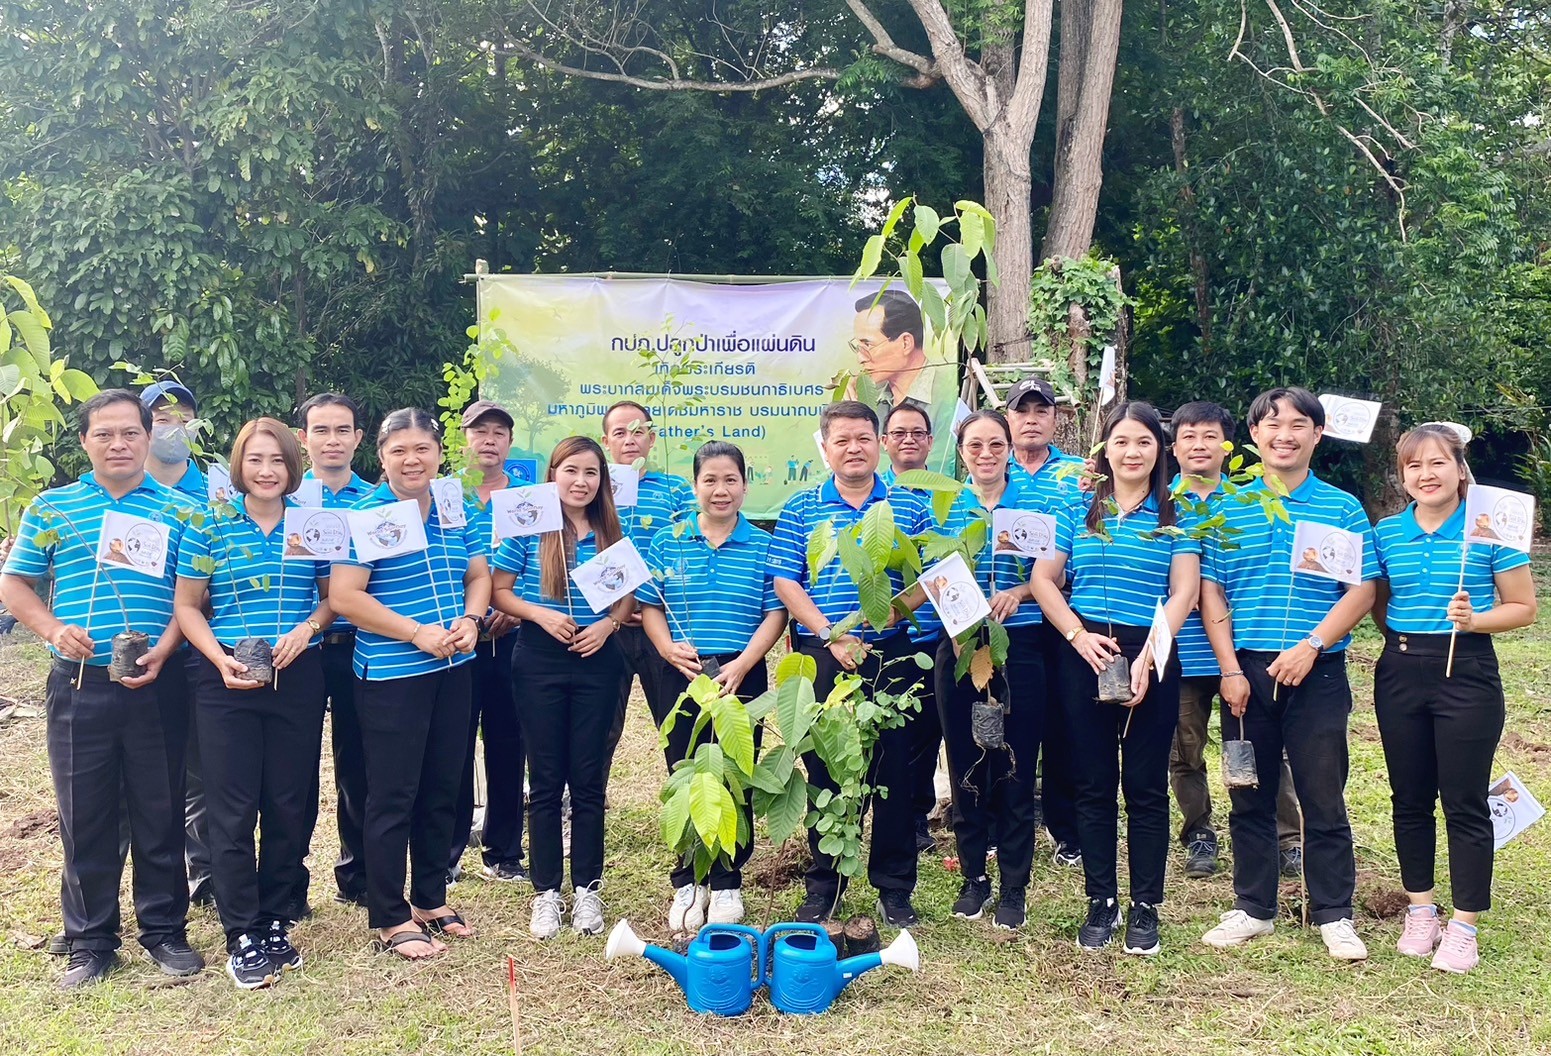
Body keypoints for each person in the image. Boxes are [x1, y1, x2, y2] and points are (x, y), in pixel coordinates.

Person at [0, 389, 205, 988]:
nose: (119, 444)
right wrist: (53, 629)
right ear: (85, 441)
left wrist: (168, 646)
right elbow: (16, 586)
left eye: (130, 433)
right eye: (105, 434)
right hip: (78, 685)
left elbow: (192, 596)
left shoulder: (182, 511)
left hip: (157, 683)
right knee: (83, 813)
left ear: (148, 438)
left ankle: (165, 931)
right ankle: (90, 940)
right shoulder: (53, 507)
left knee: (159, 807)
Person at [1198, 386, 1377, 961]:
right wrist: (1228, 669)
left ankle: (1333, 913)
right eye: (1272, 424)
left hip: (1316, 671)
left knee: (1324, 794)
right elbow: (1212, 590)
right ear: (1253, 436)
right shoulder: (1229, 505)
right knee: (1247, 790)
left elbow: (1361, 588)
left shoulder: (1341, 508)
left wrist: (1312, 645)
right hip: (1245, 672)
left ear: (1317, 435)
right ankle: (1254, 907)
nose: (1285, 434)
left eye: (1298, 424)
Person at [1032, 401, 1199, 955]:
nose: (1132, 452)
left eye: (1144, 443)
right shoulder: (1077, 504)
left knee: (1146, 786)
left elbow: (1184, 592)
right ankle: (1100, 901)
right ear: (1105, 449)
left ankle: (1146, 906)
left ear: (1161, 450)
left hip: (1152, 649)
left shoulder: (1180, 513)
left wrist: (1153, 652)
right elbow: (1044, 580)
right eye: (1121, 442)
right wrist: (1078, 637)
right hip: (1085, 654)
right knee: (1093, 783)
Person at [173, 418, 333, 989]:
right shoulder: (208, 523)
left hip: (298, 675)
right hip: (227, 681)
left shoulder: (313, 524)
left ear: (294, 466)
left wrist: (307, 630)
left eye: (279, 461)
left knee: (291, 802)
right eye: (256, 460)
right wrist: (219, 659)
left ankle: (273, 917)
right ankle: (241, 928)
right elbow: (189, 605)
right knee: (233, 807)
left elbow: (333, 598)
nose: (267, 471)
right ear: (239, 464)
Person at [1372, 423, 1537, 973]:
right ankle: (1422, 910)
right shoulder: (1387, 533)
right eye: (1413, 466)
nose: (1426, 475)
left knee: (1463, 801)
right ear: (1403, 476)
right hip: (1399, 669)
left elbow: (1523, 607)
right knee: (1408, 797)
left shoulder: (1489, 530)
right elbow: (1379, 601)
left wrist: (1476, 620)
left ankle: (1464, 925)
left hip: (1465, 670)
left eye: (1437, 463)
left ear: (1459, 468)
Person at [329, 408, 488, 961]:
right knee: (392, 795)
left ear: (440, 453)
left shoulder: (450, 504)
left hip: (454, 670)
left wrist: (471, 619)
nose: (411, 459)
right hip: (394, 674)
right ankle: (390, 915)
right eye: (399, 451)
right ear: (382, 456)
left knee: (444, 787)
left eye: (422, 448)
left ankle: (429, 898)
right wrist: (416, 633)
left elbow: (477, 574)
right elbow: (346, 597)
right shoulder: (367, 513)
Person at [769, 400, 934, 926]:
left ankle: (893, 886)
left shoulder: (907, 506)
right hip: (825, 651)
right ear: (826, 447)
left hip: (892, 649)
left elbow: (930, 575)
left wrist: (889, 614)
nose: (853, 448)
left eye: (863, 437)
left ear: (879, 441)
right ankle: (825, 885)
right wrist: (830, 635)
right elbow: (788, 581)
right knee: (825, 767)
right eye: (841, 440)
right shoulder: (801, 509)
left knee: (896, 766)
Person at [637, 441, 786, 929]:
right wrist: (664, 649)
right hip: (679, 673)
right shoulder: (668, 539)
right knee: (684, 773)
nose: (720, 490)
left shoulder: (766, 544)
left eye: (730, 480)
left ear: (745, 485)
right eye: (710, 480)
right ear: (694, 485)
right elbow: (649, 606)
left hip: (741, 673)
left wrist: (745, 662)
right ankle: (686, 882)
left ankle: (726, 884)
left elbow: (776, 611)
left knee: (735, 774)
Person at [491, 436, 634, 940]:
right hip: (539, 658)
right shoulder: (530, 526)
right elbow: (499, 590)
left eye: (591, 473)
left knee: (589, 779)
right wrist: (540, 614)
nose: (580, 481)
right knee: (547, 779)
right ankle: (546, 893)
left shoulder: (611, 529)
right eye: (570, 470)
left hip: (597, 661)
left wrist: (610, 626)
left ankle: (588, 891)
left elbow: (625, 599)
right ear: (553, 474)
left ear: (603, 481)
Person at [1167, 401, 1304, 880]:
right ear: (1175, 446)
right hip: (1181, 655)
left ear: (1228, 446)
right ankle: (1199, 833)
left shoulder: (1250, 502)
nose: (1199, 445)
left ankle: (1288, 838)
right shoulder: (1158, 505)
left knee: (1260, 749)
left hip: (1239, 653)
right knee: (1185, 751)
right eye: (1188, 436)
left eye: (1210, 436)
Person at [933, 411, 1048, 930]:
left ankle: (1014, 887)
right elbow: (926, 575)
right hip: (959, 648)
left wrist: (1020, 591)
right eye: (974, 445)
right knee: (966, 764)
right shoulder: (943, 508)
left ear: (1008, 448)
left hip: (1019, 646)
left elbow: (1055, 576)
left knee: (1015, 765)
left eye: (995, 443)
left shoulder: (1036, 505)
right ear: (962, 452)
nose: (985, 453)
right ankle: (974, 877)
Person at [293, 392, 374, 913]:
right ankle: (288, 880)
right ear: (302, 440)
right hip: (299, 649)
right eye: (320, 430)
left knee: (359, 764)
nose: (332, 441)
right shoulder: (285, 501)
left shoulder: (378, 503)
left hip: (358, 644)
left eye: (342, 430)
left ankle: (360, 872)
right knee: (294, 768)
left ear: (358, 439)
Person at [1004, 376, 1086, 868]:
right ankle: (1005, 815)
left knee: (1064, 723)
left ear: (1056, 418)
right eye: (1022, 410)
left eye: (1041, 409)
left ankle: (1065, 827)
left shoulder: (1080, 473)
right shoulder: (991, 467)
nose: (1031, 418)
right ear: (1009, 418)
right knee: (1010, 721)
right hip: (1006, 622)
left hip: (1062, 615)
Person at [141, 380, 214, 909]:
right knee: (152, 773)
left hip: (204, 653)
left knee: (205, 770)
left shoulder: (217, 490)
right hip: (143, 654)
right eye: (161, 417)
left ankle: (206, 873)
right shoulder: (122, 490)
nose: (173, 426)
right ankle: (157, 883)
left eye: (182, 416)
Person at [448, 399, 527, 884]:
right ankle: (449, 849)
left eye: (499, 432)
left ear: (510, 443)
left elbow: (541, 566)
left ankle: (503, 850)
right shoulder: (443, 496)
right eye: (480, 432)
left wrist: (509, 609)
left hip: (513, 634)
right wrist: (472, 613)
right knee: (453, 744)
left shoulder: (529, 498)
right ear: (464, 440)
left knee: (508, 741)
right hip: (456, 636)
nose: (489, 441)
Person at [598, 402, 694, 775]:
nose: (629, 440)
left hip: (661, 624)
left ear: (652, 438)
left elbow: (688, 546)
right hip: (605, 624)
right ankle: (587, 801)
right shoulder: (594, 486)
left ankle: (685, 798)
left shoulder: (676, 488)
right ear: (606, 441)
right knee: (601, 724)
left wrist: (646, 601)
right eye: (620, 432)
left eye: (638, 431)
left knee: (675, 721)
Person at [880, 402, 944, 854]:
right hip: (891, 636)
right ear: (885, 442)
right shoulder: (875, 496)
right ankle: (895, 813)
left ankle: (921, 812)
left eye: (917, 433)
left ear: (930, 442)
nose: (908, 440)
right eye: (898, 432)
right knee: (896, 734)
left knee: (930, 729)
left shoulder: (947, 496)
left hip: (940, 636)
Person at [847, 289, 935, 415]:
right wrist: (849, 409)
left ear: (905, 343)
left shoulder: (946, 393)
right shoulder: (871, 397)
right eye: (857, 346)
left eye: (867, 344)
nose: (860, 358)